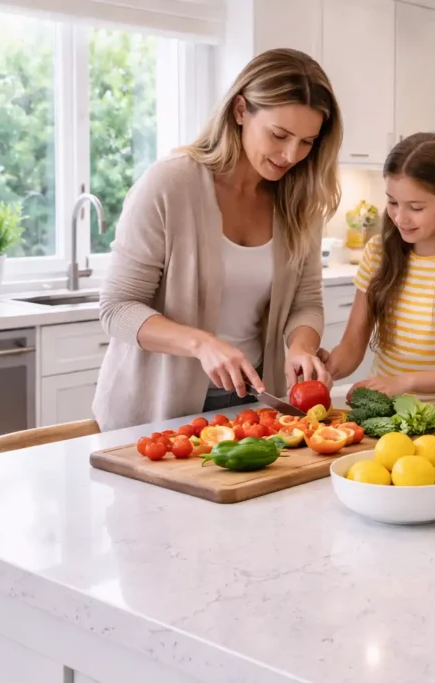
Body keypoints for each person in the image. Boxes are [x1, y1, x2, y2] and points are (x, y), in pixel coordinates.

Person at [93, 49, 340, 430]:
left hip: (253, 401)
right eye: (279, 135)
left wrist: (302, 346)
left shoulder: (299, 200)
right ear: (241, 110)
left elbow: (306, 302)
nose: (291, 155)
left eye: (307, 142)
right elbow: (118, 308)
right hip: (157, 409)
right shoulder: (170, 185)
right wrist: (202, 344)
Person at [321, 133, 435, 402]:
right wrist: (323, 370)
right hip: (387, 413)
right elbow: (351, 347)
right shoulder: (378, 253)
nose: (399, 217)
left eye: (416, 207)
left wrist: (406, 382)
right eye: (393, 202)